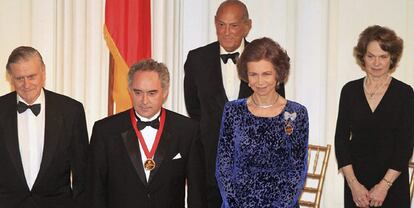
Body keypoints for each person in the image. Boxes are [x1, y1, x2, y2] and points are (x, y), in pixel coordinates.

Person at [184, 1, 285, 206]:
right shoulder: (196, 59)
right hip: (208, 165)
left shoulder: (266, 59)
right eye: (221, 25)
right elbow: (194, 110)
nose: (227, 32)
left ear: (247, 26)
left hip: (254, 169)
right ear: (215, 24)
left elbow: (276, 110)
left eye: (234, 25)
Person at [87, 59, 206, 208]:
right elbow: (94, 191)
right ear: (130, 91)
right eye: (138, 93)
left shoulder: (187, 130)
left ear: (165, 92)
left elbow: (197, 194)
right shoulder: (105, 130)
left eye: (152, 93)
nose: (144, 100)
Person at [216, 37, 308, 208]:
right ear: (246, 76)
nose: (259, 82)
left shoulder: (296, 113)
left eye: (266, 74)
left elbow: (297, 169)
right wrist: (234, 204)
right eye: (253, 74)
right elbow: (223, 165)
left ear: (278, 74)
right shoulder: (233, 110)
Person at [335, 25, 414, 208]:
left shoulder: (405, 93)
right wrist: (353, 185)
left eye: (383, 57)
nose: (376, 63)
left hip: (392, 185)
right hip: (356, 186)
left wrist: (384, 186)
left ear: (392, 58)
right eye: (371, 56)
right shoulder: (349, 91)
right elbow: (341, 140)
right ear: (362, 57)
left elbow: (405, 146)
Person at [0, 46, 88, 207]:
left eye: (31, 76)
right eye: (19, 78)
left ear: (43, 73)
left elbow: (82, 173)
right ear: (10, 78)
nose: (26, 84)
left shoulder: (71, 111)